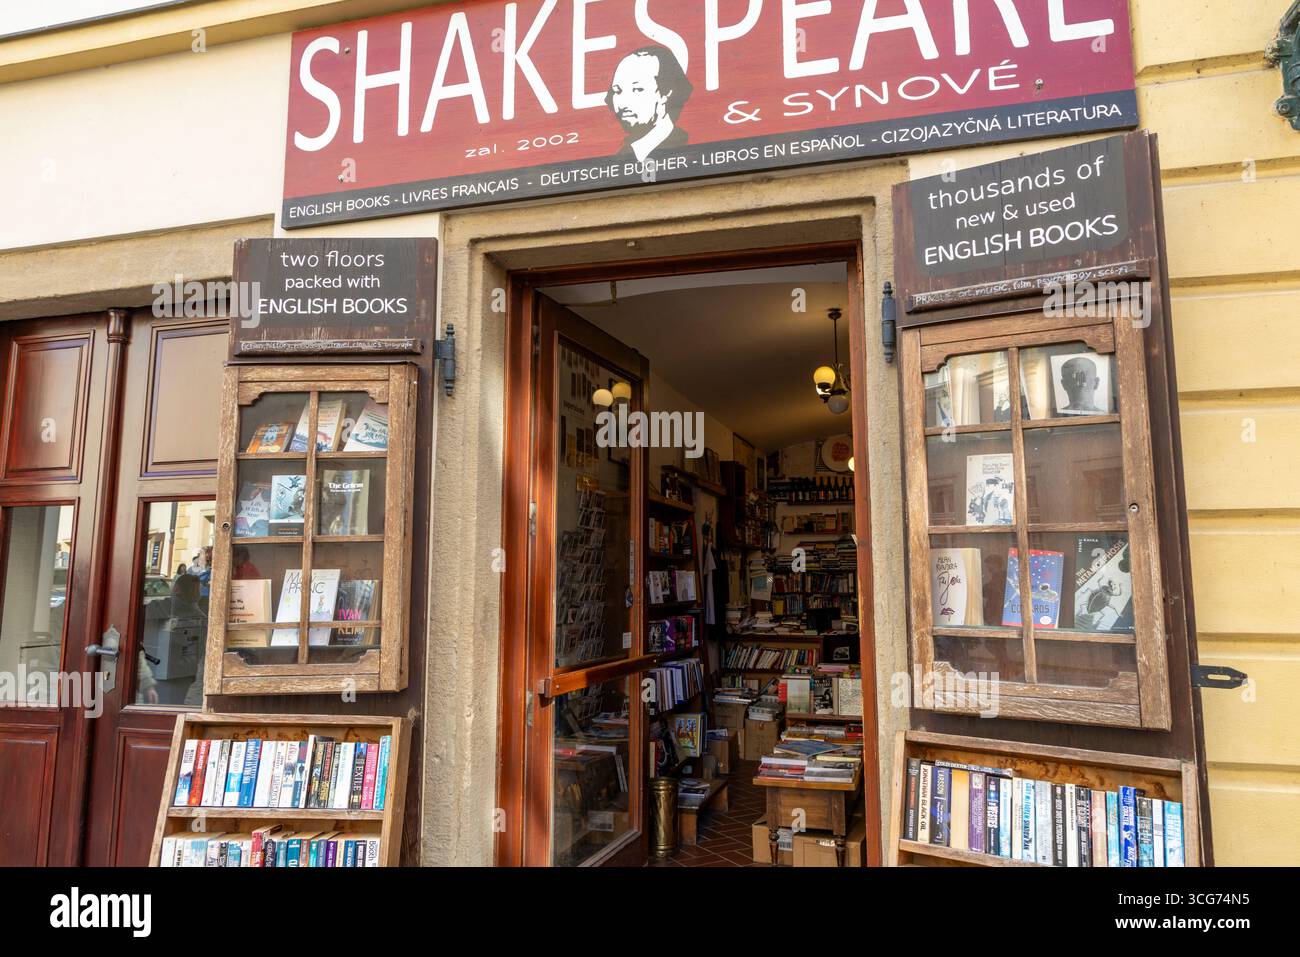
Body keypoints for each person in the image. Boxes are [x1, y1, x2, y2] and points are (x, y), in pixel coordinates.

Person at [605, 46, 693, 164]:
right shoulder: (618, 161)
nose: (624, 103)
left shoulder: (690, 153)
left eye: (637, 89)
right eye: (617, 91)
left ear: (667, 92)